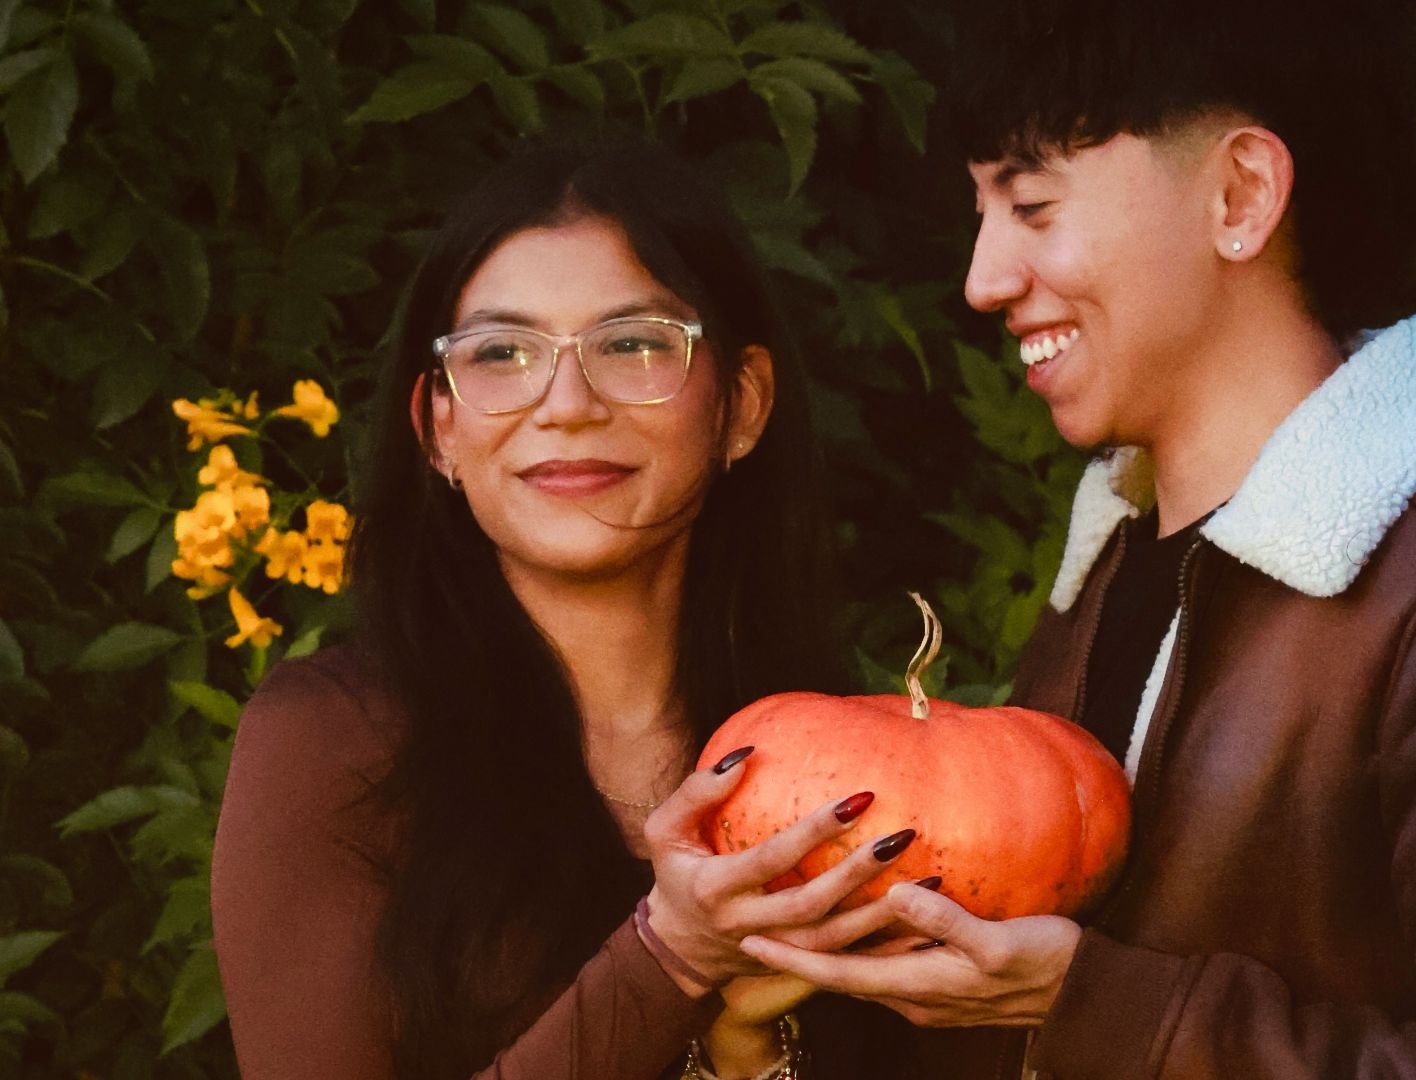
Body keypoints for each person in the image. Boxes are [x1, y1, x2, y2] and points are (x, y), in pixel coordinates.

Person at [738, 1, 1416, 1077]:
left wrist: (1115, 1012)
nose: (983, 279)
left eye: (1031, 206)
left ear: (1240, 196)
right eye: (981, 211)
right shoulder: (1117, 567)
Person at [212, 136, 915, 1079]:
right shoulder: (332, 743)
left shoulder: (839, 757)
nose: (568, 403)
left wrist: (747, 1054)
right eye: (503, 353)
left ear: (741, 406)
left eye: (632, 345)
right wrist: (671, 960)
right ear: (439, 429)